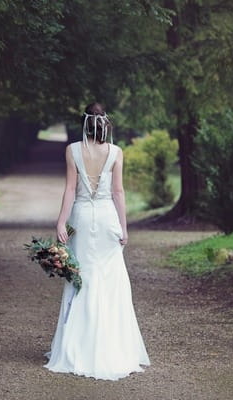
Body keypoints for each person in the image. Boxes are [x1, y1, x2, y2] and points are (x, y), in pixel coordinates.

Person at [44, 102, 150, 380]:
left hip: (80, 215)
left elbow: (69, 189)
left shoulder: (72, 151)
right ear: (104, 124)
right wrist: (124, 228)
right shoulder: (116, 152)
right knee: (110, 279)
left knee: (81, 277)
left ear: (84, 124)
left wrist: (60, 221)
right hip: (106, 219)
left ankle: (77, 346)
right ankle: (112, 346)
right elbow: (118, 192)